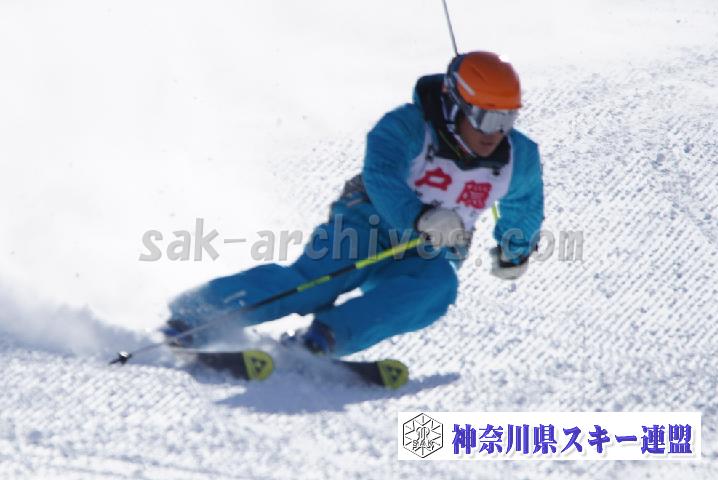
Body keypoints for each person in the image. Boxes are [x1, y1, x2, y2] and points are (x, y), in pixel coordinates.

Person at [163, 51, 544, 357]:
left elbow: (525, 204)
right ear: (456, 105)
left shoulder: (519, 157)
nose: (496, 133)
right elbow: (381, 176)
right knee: (314, 284)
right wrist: (420, 217)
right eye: (486, 118)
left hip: (426, 251)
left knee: (438, 287)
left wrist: (515, 251)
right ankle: (197, 314)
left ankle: (324, 340)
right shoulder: (407, 126)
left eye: (507, 118)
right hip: (365, 225)